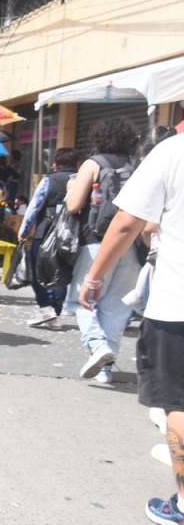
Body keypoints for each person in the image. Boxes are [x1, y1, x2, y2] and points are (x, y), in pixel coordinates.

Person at [76, 132, 184, 524]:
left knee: (178, 403)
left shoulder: (173, 151)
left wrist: (94, 275)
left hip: (178, 305)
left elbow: (126, 224)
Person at [65, 117, 142, 383]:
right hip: (131, 245)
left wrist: (72, 188)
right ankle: (106, 369)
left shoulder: (93, 163)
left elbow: (74, 205)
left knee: (82, 299)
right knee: (116, 307)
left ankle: (97, 346)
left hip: (95, 241)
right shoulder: (138, 166)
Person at [18, 148, 80, 327]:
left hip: (44, 232)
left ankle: (46, 308)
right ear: (77, 164)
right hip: (71, 234)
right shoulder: (82, 181)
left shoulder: (49, 180)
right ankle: (55, 312)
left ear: (56, 163)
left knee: (38, 271)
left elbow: (34, 206)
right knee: (63, 272)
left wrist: (24, 231)